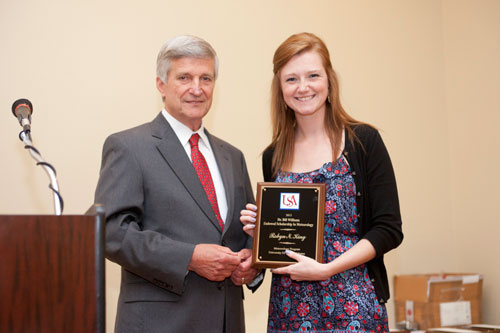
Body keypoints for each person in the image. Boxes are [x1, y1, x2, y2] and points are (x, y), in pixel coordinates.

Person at [95, 35, 260, 333]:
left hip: (227, 321)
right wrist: (190, 258)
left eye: (205, 78)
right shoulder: (129, 147)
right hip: (160, 323)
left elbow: (243, 231)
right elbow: (109, 231)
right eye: (184, 77)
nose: (197, 89)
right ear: (161, 84)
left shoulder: (232, 156)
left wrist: (253, 262)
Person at [240, 32, 403, 332]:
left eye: (312, 75)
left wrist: (326, 270)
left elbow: (388, 229)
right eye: (291, 79)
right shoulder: (272, 156)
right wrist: (260, 231)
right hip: (288, 308)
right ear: (279, 88)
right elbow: (283, 241)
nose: (303, 87)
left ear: (329, 80)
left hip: (354, 305)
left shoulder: (363, 142)